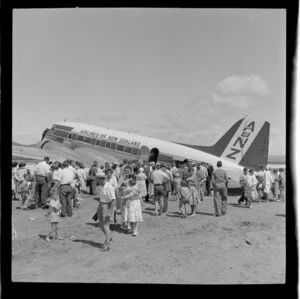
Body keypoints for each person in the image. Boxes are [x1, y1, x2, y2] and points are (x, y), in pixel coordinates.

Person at [97, 174, 116, 251]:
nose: (97, 181)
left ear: (101, 179)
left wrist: (109, 212)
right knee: (101, 225)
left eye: (98, 179)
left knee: (105, 226)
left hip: (107, 207)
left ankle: (107, 244)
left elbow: (113, 200)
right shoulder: (102, 186)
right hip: (101, 205)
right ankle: (109, 237)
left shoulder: (109, 187)